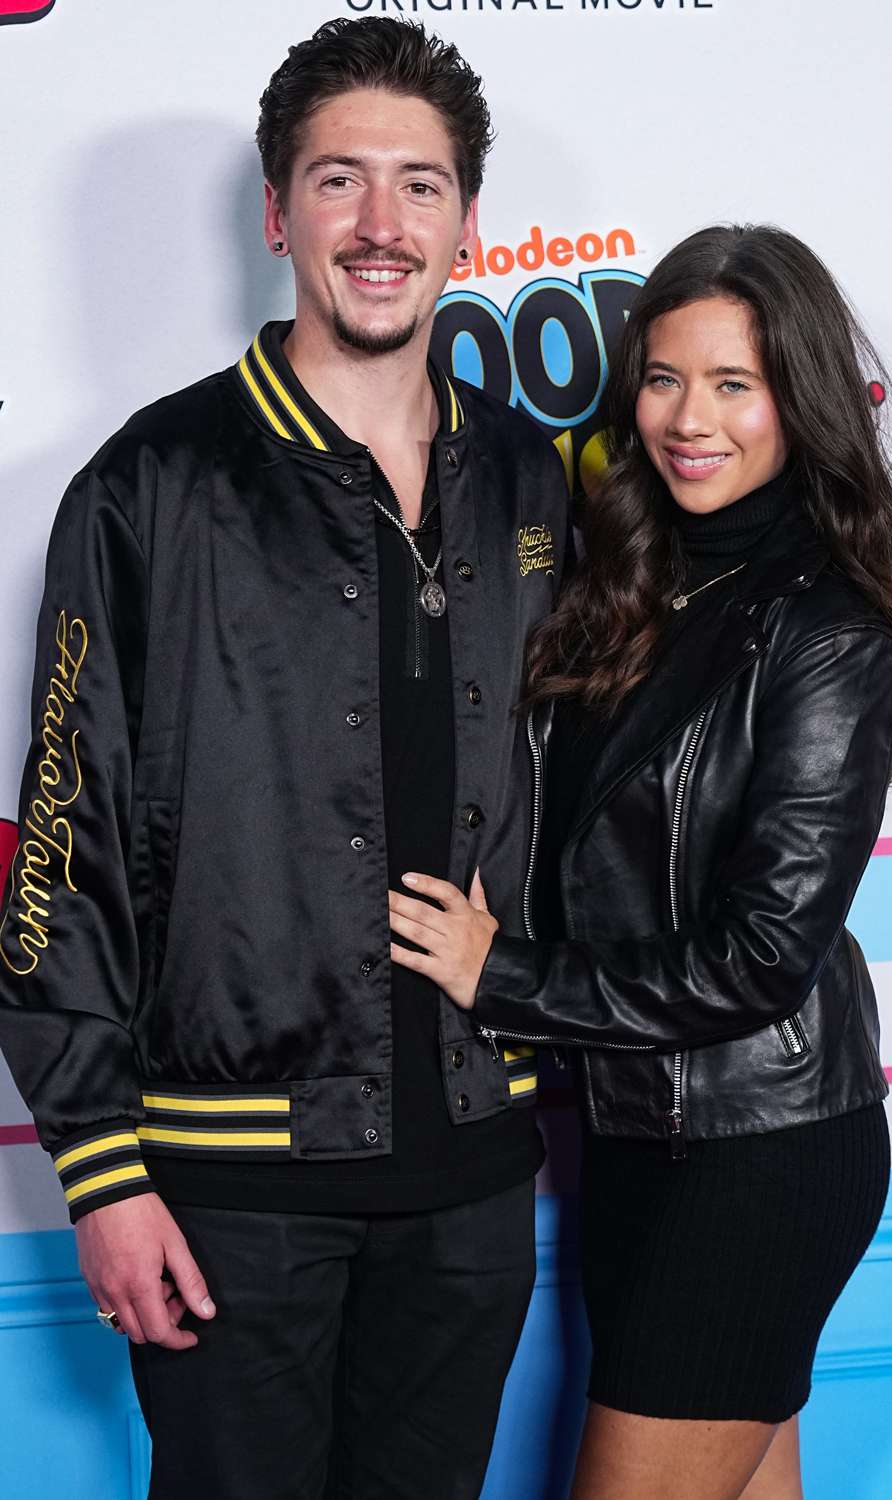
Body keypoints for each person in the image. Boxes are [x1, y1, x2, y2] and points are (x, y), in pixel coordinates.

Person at [0, 17, 570, 1499]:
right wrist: (100, 1171)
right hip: (227, 1186)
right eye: (339, 182)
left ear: (465, 221)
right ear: (277, 213)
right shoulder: (152, 482)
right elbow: (60, 834)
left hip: (475, 1182)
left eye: (421, 186)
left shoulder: (526, 478)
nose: (382, 228)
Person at [387, 224, 892, 1500]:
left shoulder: (827, 627)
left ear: (800, 406)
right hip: (642, 1137)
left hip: (758, 1150)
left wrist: (503, 975)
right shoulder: (633, 584)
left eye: (733, 385)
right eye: (662, 377)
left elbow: (762, 958)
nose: (687, 420)